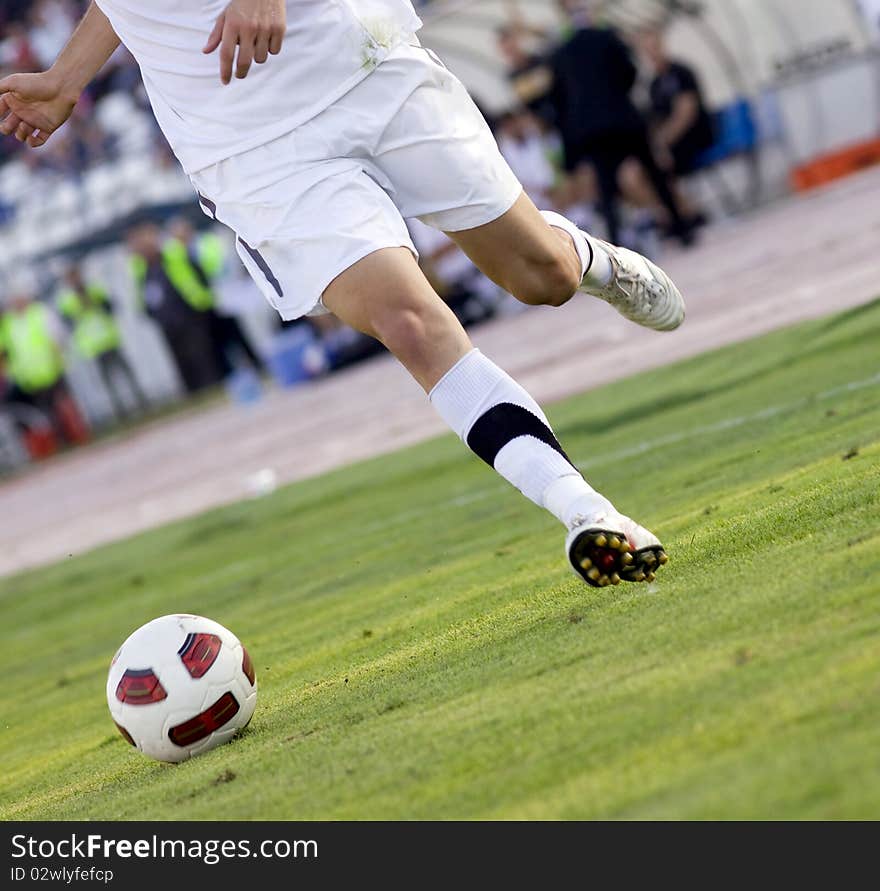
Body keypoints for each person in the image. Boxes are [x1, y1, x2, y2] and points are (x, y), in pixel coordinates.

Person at [0, 0, 687, 588]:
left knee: (543, 277)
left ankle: (587, 257)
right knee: (409, 322)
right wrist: (67, 78)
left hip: (356, 59)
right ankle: (588, 511)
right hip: (247, 144)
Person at [548, 1, 694, 246]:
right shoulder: (607, 37)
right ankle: (681, 228)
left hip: (592, 130)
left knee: (606, 189)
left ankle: (616, 243)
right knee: (655, 173)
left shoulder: (560, 54)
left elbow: (559, 98)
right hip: (623, 119)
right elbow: (630, 72)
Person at [127, 221, 225, 394]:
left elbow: (194, 272)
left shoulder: (172, 252)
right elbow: (143, 291)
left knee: (201, 352)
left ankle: (214, 386)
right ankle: (196, 391)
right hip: (167, 319)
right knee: (181, 357)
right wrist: (148, 311)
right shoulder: (141, 266)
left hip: (189, 309)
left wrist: (202, 299)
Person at [167, 217, 265, 375]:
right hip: (202, 304)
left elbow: (222, 266)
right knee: (217, 343)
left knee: (237, 335)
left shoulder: (206, 243)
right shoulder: (175, 255)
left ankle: (256, 366)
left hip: (222, 296)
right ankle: (229, 374)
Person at [0, 274, 89, 447]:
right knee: (44, 413)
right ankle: (56, 442)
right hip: (29, 378)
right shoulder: (8, 323)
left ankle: (75, 437)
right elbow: (5, 351)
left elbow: (58, 338)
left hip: (52, 369)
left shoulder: (40, 313)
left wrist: (59, 359)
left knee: (63, 407)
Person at [57, 263, 149, 418]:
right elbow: (67, 324)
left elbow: (112, 307)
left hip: (110, 339)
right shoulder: (66, 300)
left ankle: (142, 402)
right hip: (92, 346)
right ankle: (119, 410)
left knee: (126, 372)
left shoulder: (95, 289)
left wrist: (96, 302)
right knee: (107, 382)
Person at [640, 28, 715, 181]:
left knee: (658, 163)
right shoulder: (654, 84)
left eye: (654, 47)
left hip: (695, 135)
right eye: (647, 51)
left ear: (662, 45)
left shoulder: (681, 72)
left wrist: (662, 143)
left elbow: (686, 113)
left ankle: (681, 203)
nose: (652, 54)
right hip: (673, 142)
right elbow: (656, 119)